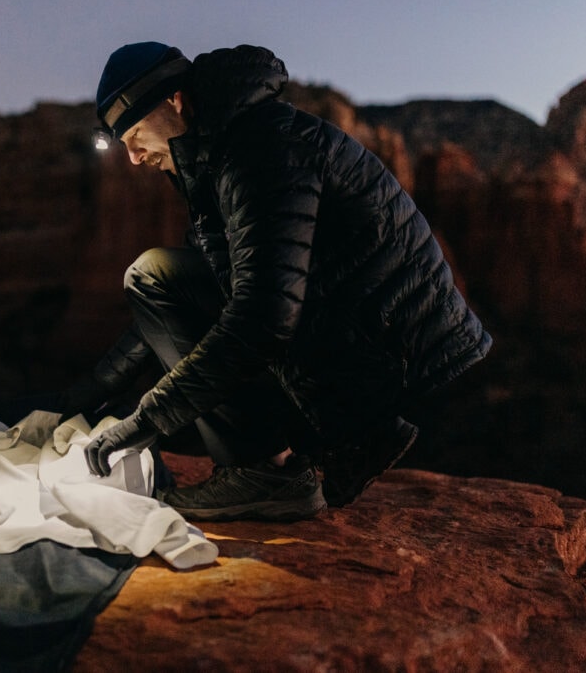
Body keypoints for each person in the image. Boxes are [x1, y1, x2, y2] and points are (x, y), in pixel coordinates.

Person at [71, 42, 491, 522]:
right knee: (155, 277)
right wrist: (88, 392)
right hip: (348, 328)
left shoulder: (259, 150)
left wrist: (147, 420)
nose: (132, 157)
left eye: (135, 133)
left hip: (393, 353)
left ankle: (267, 475)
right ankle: (270, 466)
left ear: (175, 101)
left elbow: (263, 318)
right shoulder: (221, 150)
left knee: (157, 277)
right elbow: (185, 302)